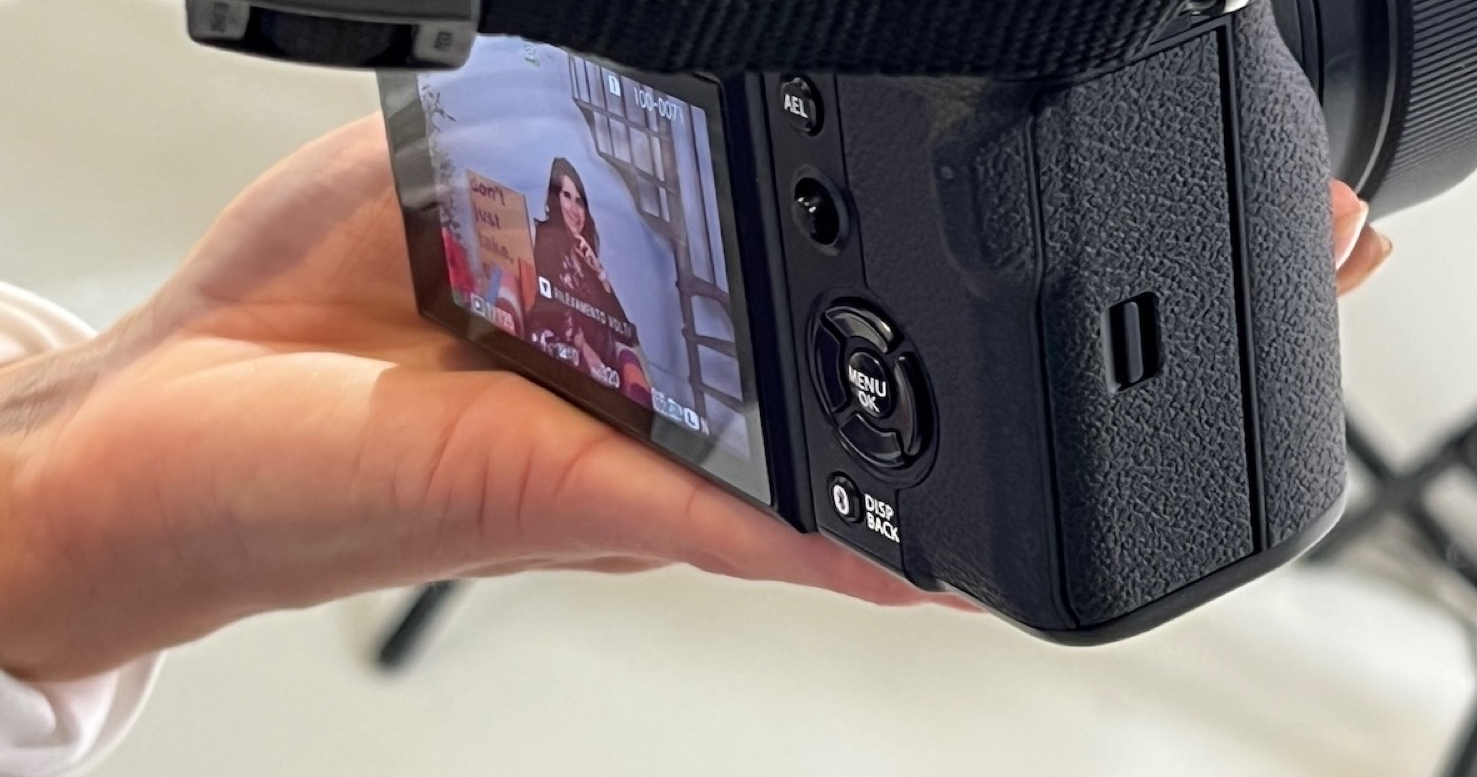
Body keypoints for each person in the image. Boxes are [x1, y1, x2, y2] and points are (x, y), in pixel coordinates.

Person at [0, 115, 1389, 776]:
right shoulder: (570, 265)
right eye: (569, 216)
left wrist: (85, 419)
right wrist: (73, 469)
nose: (572, 225)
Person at [525, 158, 653, 407]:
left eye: (580, 201)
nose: (574, 209)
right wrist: (584, 349)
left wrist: (600, 275)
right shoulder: (547, 238)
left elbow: (624, 333)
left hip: (599, 372)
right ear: (554, 199)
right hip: (561, 352)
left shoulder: (586, 257)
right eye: (567, 196)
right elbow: (557, 305)